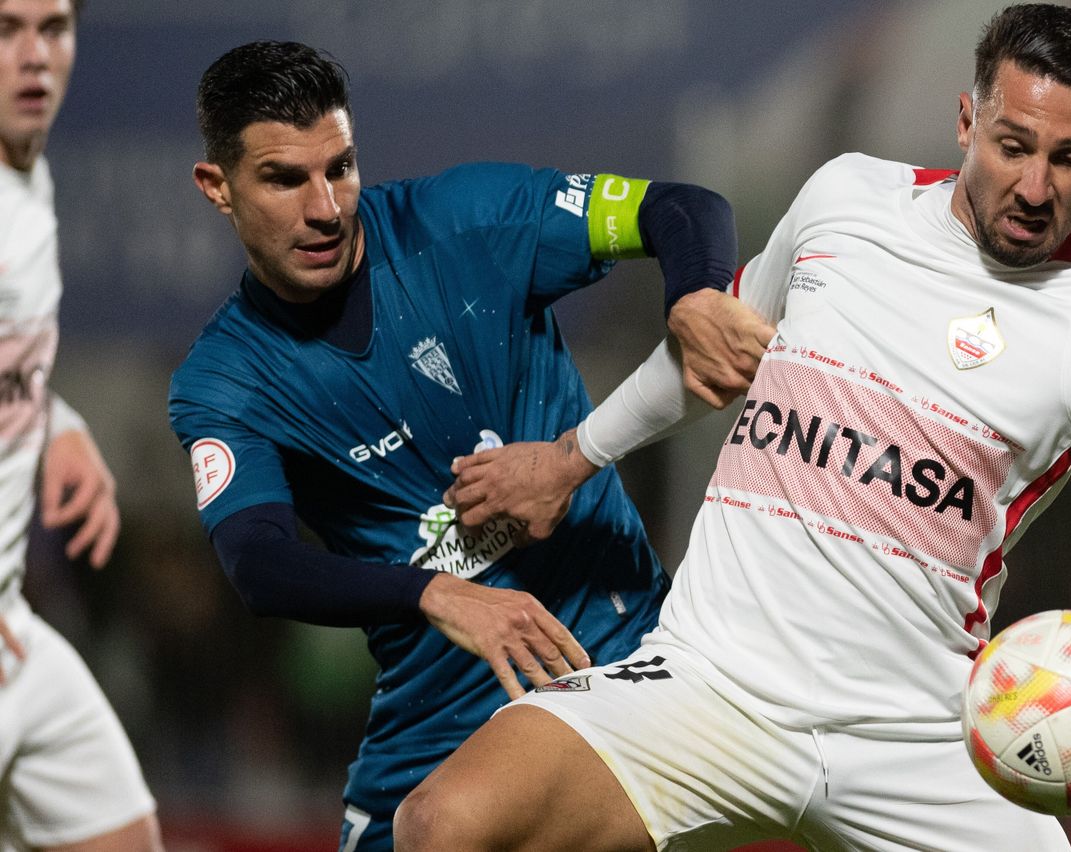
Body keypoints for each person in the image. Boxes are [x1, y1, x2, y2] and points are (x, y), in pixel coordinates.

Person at [397, 4, 1071, 851]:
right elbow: (717, 352)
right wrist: (568, 460)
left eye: (1069, 159)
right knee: (445, 824)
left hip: (919, 736)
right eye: (1013, 145)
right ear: (965, 120)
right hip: (712, 685)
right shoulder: (847, 203)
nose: (1033, 186)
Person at [166, 41, 770, 851]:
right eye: (285, 179)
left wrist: (694, 294)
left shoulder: (468, 220)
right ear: (219, 188)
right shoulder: (226, 379)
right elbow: (258, 562)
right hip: (433, 724)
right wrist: (435, 595)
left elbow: (683, 206)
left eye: (340, 168)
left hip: (618, 667)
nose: (326, 207)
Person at [0, 1, 164, 849]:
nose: (35, 55)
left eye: (53, 27)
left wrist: (58, 421)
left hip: (16, 634)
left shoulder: (28, 175)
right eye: (5, 29)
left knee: (122, 834)